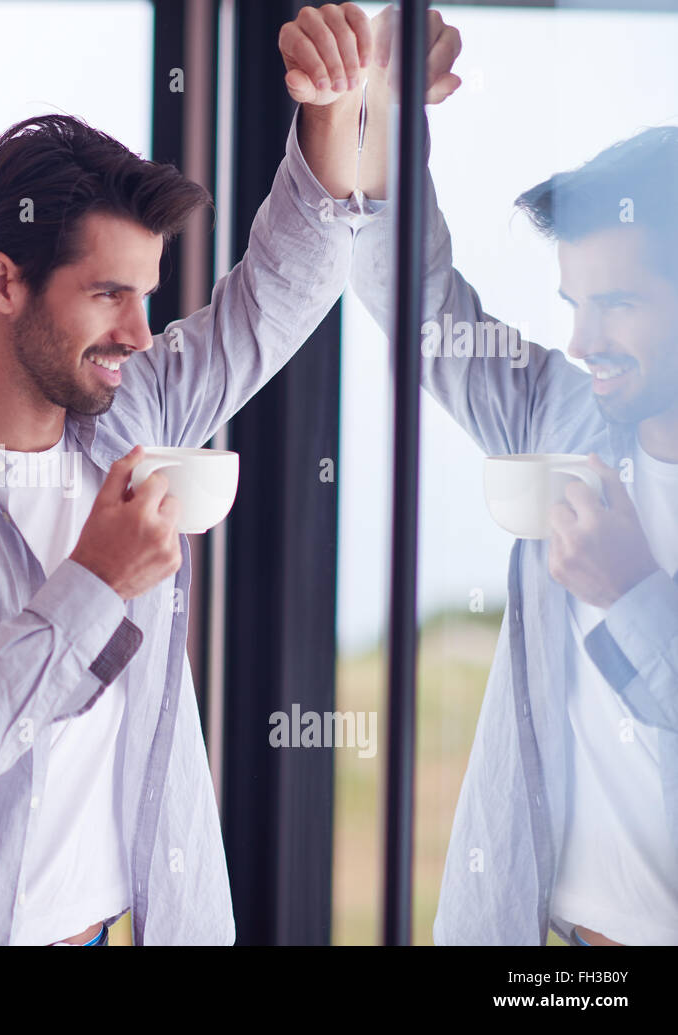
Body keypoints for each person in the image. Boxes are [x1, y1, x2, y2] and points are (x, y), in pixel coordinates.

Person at [0, 3, 461, 944]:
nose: (141, 334)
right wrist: (94, 583)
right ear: (1, 283)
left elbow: (279, 292)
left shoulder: (126, 419)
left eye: (145, 295)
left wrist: (341, 110)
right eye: (109, 295)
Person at [341, 29, 678, 945]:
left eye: (619, 304)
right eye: (575, 303)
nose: (582, 340)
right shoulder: (560, 412)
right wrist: (385, 116)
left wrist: (636, 595)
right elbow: (416, 298)